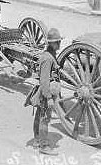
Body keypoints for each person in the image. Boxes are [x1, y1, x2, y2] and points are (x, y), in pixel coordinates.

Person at [33, 28, 63, 156]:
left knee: (40, 115)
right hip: (46, 92)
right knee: (45, 118)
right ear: (50, 43)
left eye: (59, 41)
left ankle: (37, 140)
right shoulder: (47, 58)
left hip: (46, 91)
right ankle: (44, 146)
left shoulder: (50, 55)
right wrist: (49, 98)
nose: (59, 44)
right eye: (57, 42)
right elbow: (44, 81)